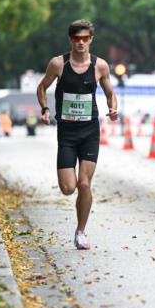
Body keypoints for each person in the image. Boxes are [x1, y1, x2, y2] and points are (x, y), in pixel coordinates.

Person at [37, 19, 118, 250]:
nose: (81, 43)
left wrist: (112, 108)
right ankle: (79, 225)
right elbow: (42, 87)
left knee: (84, 183)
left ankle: (81, 231)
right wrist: (45, 109)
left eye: (85, 39)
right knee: (68, 188)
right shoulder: (58, 64)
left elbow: (110, 93)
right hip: (67, 133)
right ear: (71, 39)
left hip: (90, 131)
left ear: (91, 39)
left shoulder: (99, 66)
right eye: (76, 39)